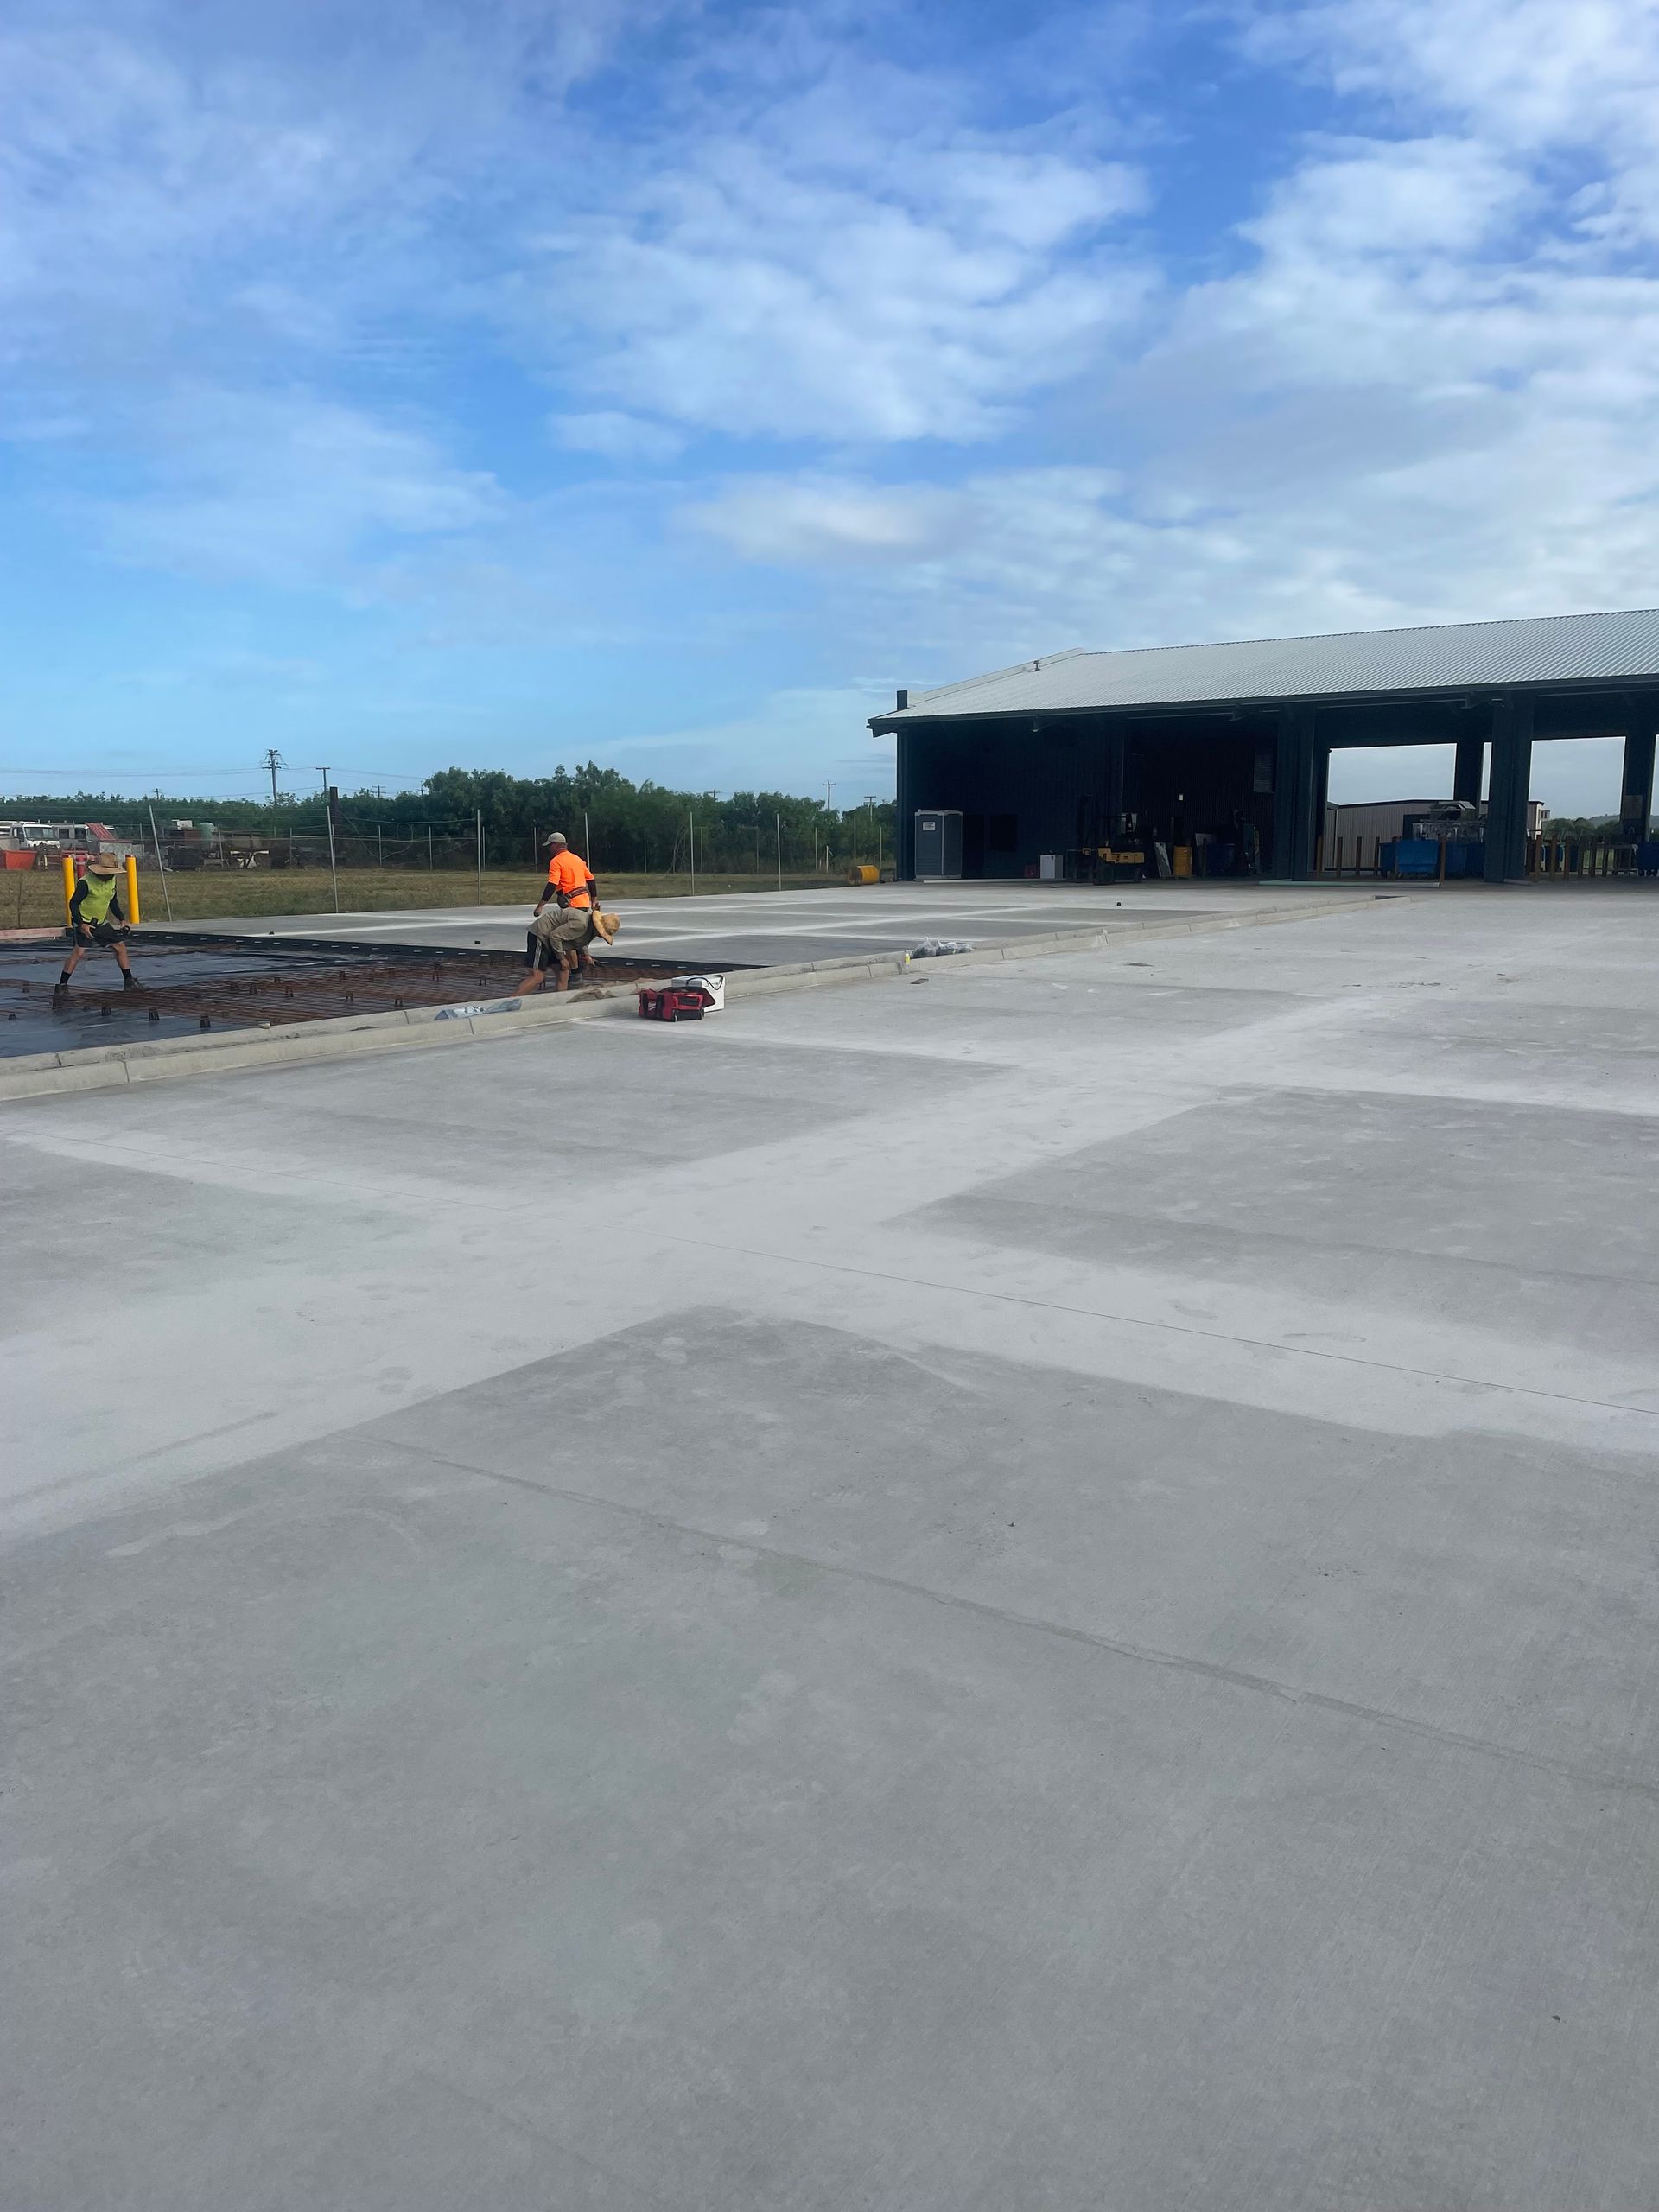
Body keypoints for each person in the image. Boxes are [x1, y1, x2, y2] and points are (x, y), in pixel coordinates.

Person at [54, 854, 141, 998]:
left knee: (120, 947)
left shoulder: (112, 881)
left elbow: (113, 901)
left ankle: (129, 981)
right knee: (79, 953)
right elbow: (73, 903)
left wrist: (121, 919)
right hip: (84, 921)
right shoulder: (86, 883)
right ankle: (61, 986)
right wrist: (81, 924)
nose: (109, 876)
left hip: (100, 922)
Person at [536, 831, 601, 980]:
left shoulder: (556, 861)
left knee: (568, 940)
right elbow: (591, 879)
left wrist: (541, 906)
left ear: (555, 845)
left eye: (550, 846)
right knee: (578, 939)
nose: (549, 849)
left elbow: (552, 885)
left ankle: (576, 974)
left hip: (571, 904)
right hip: (584, 902)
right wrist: (594, 899)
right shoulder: (577, 859)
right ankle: (578, 969)